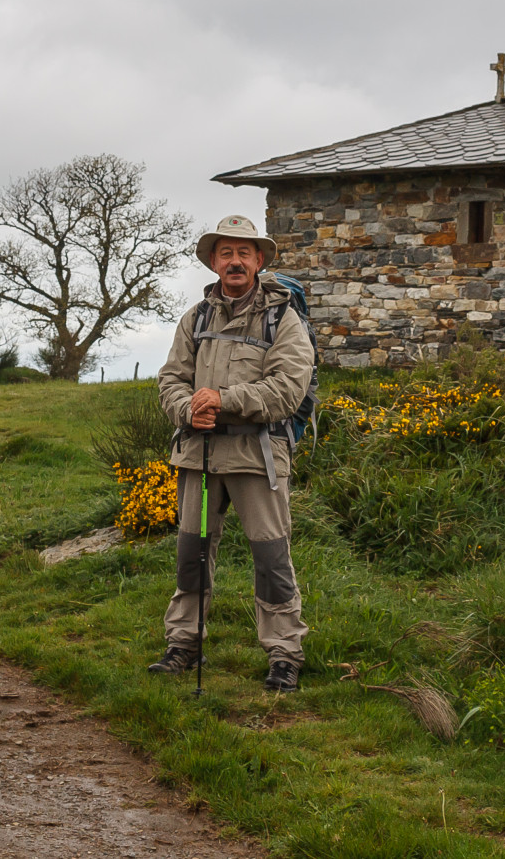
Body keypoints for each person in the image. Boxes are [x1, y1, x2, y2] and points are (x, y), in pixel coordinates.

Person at [150, 214, 313, 692]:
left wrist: (223, 400)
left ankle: (284, 654)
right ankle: (183, 643)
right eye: (227, 253)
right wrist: (188, 409)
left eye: (244, 253)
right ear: (214, 262)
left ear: (259, 260)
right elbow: (171, 379)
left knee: (271, 557)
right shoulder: (195, 318)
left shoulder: (283, 319)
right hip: (198, 456)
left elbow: (287, 389)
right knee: (192, 554)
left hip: (257, 457)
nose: (235, 261)